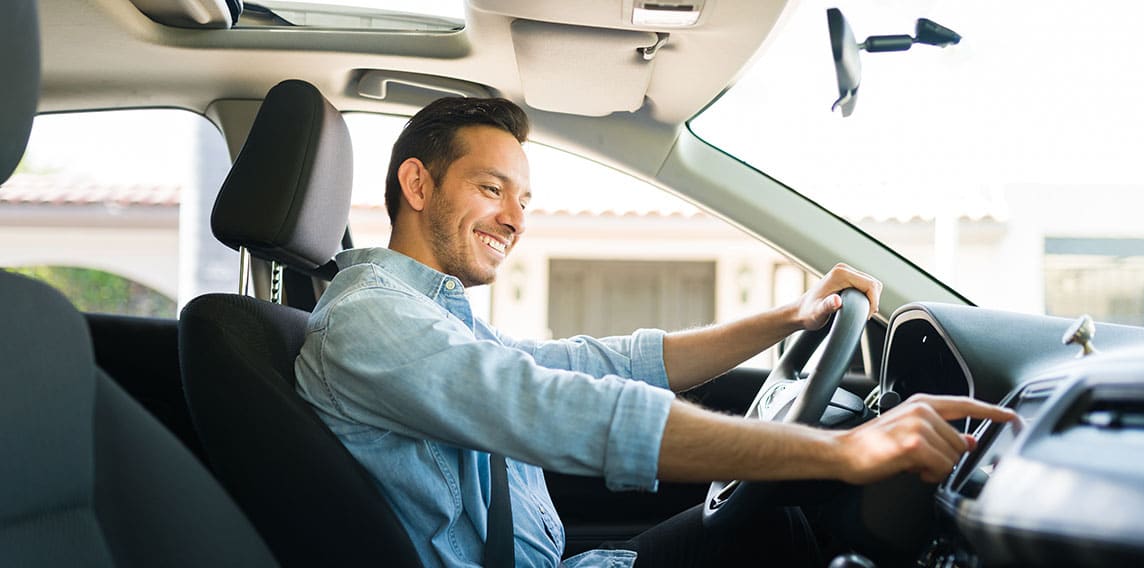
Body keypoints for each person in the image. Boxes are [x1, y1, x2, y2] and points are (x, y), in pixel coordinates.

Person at [294, 97, 1015, 567]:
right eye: (491, 189)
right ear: (418, 187)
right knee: (782, 535)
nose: (515, 218)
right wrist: (842, 449)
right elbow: (559, 409)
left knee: (770, 530)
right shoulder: (371, 321)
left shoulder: (426, 314)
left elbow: (595, 365)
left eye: (524, 198)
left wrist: (788, 317)